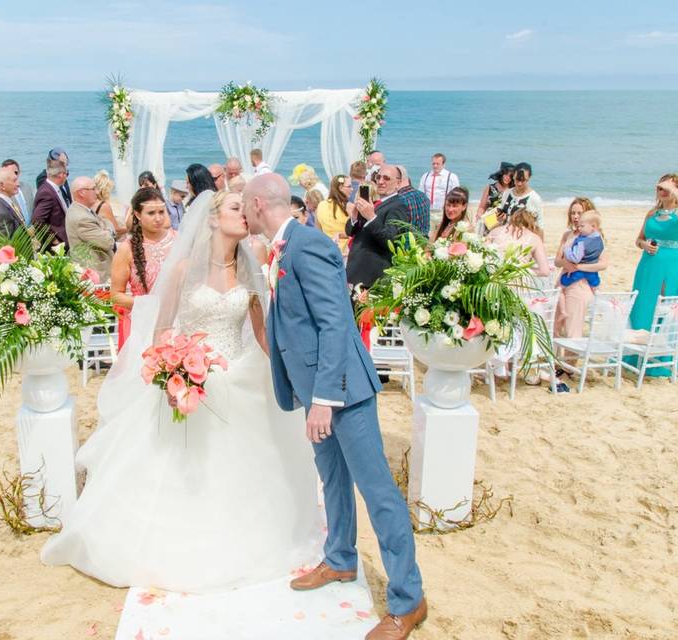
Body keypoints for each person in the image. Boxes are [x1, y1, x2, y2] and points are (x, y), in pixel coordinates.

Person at [42, 189, 325, 597]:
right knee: (180, 466)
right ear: (211, 218)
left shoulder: (253, 265)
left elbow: (262, 331)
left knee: (243, 465)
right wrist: (171, 370)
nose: (244, 215)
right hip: (189, 377)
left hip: (241, 375)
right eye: (234, 208)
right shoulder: (184, 270)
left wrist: (289, 373)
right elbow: (161, 327)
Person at [242, 173, 427, 640]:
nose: (243, 213)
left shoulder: (308, 245)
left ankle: (409, 600)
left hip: (342, 392)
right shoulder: (282, 248)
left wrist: (324, 398)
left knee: (378, 492)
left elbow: (334, 324)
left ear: (259, 203)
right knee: (334, 480)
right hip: (314, 394)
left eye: (244, 206)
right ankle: (341, 559)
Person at [627, 173, 678, 375]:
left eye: (666, 187)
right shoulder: (652, 214)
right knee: (643, 307)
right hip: (647, 266)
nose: (662, 190)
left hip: (669, 268)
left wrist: (673, 189)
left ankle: (660, 359)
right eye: (660, 187)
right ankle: (637, 356)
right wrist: (644, 244)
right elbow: (638, 239)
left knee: (664, 310)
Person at [346, 164, 410, 292]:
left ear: (398, 183)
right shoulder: (374, 204)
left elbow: (390, 240)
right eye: (378, 177)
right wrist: (354, 217)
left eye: (386, 178)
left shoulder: (398, 207)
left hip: (371, 277)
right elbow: (350, 231)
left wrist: (371, 218)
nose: (380, 181)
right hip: (355, 272)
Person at [109, 187, 176, 309]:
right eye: (151, 213)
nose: (158, 218)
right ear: (138, 214)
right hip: (145, 319)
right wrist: (147, 304)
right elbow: (116, 295)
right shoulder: (127, 249)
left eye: (161, 212)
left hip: (177, 317)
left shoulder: (178, 240)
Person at [64, 176, 117, 279]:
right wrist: (109, 230)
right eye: (93, 189)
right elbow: (108, 242)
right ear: (81, 193)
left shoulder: (81, 209)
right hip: (96, 275)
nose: (97, 192)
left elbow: (106, 221)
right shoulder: (81, 218)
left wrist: (106, 228)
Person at [486, 208, 551, 276]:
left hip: (494, 279)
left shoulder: (495, 231)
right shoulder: (534, 238)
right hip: (518, 281)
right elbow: (545, 272)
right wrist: (523, 269)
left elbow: (483, 257)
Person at [559, 210, 605, 290]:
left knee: (565, 280)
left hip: (579, 271)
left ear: (593, 227)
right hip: (593, 271)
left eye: (582, 226)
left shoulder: (581, 242)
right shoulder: (598, 238)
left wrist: (567, 249)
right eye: (573, 213)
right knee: (595, 281)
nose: (579, 228)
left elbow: (576, 258)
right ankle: (595, 286)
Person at [32, 158, 70, 250]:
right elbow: (37, 220)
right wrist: (53, 240)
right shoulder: (47, 192)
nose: (67, 176)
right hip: (56, 245)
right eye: (67, 173)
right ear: (61, 175)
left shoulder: (55, 188)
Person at [495, 162, 543, 229]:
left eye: (523, 180)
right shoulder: (507, 193)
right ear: (513, 176)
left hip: (524, 237)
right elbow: (501, 217)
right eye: (517, 179)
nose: (519, 183)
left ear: (529, 178)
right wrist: (499, 218)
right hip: (505, 235)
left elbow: (539, 225)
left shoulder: (534, 198)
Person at [418, 153, 460, 220]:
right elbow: (420, 194)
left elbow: (457, 196)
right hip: (428, 212)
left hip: (444, 212)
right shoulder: (425, 176)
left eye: (438, 164)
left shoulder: (451, 177)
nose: (435, 166)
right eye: (433, 163)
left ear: (443, 164)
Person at [316, 175, 351, 253]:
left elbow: (318, 231)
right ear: (341, 188)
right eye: (349, 186)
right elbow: (355, 233)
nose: (352, 189)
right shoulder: (349, 207)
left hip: (328, 249)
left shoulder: (321, 205)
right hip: (346, 251)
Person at [396, 165, 431, 237]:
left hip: (405, 246)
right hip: (423, 242)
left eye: (388, 179)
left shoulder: (398, 200)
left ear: (398, 179)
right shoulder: (423, 196)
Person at [92, 170, 124, 241]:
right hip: (106, 241)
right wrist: (130, 228)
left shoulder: (90, 202)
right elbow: (116, 230)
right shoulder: (103, 206)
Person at [1, 159, 34, 224]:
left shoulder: (27, 187)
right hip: (16, 232)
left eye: (15, 172)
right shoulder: (1, 191)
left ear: (19, 172)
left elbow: (33, 208)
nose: (13, 175)